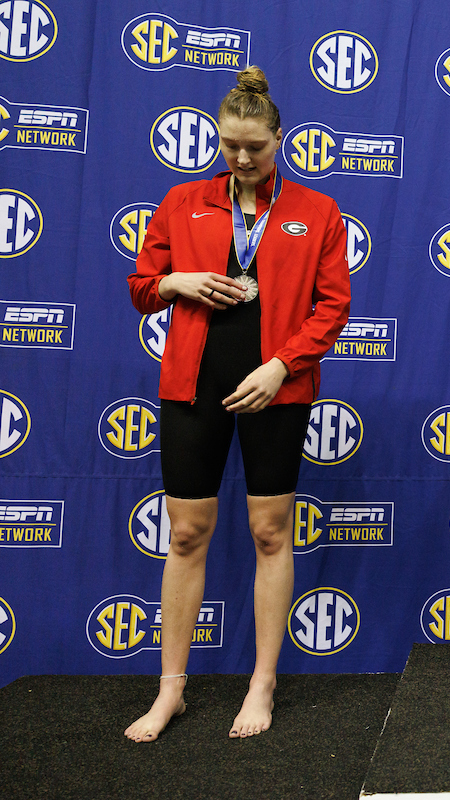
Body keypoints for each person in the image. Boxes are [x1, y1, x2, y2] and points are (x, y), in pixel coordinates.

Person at [124, 66, 351, 742]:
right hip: (192, 385)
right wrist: (177, 282)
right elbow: (141, 287)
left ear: (281, 138)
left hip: (276, 390)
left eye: (255, 146)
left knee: (270, 533)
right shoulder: (182, 201)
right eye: (230, 146)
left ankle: (263, 681)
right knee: (185, 535)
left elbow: (333, 308)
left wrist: (282, 365)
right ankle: (171, 690)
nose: (243, 158)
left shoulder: (318, 211)